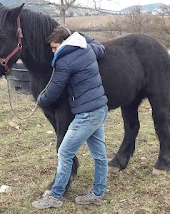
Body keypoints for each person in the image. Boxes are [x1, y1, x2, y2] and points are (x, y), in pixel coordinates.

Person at [32, 25, 109, 209]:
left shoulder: (64, 61)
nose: (52, 51)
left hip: (87, 114)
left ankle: (55, 197)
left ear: (64, 43)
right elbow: (99, 46)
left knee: (65, 152)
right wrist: (81, 35)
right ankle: (98, 194)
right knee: (99, 155)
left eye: (54, 47)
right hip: (100, 108)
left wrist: (40, 99)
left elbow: (55, 90)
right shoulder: (87, 48)